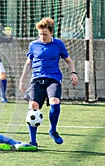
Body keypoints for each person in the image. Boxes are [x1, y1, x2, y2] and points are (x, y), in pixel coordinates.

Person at [19, 17, 79, 146]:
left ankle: (53, 130)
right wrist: (22, 81)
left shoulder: (58, 44)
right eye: (40, 34)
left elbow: (68, 60)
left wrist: (73, 73)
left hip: (53, 79)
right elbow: (28, 63)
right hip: (36, 79)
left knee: (54, 101)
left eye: (45, 34)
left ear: (51, 33)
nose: (42, 37)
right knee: (33, 106)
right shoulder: (33, 45)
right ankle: (33, 141)